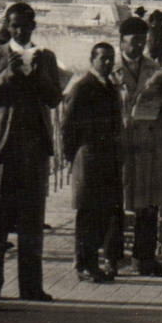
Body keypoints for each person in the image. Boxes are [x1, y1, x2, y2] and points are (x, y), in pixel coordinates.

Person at [0, 2, 63, 304]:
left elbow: (54, 99)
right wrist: (6, 77)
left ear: (33, 27)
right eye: (14, 25)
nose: (20, 31)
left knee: (31, 220)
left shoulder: (46, 58)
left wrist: (38, 75)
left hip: (34, 150)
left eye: (25, 25)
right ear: (7, 26)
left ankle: (31, 286)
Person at [117, 18, 162, 277]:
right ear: (122, 41)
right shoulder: (112, 68)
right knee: (119, 201)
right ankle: (115, 255)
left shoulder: (153, 68)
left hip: (150, 142)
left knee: (150, 202)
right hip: (124, 142)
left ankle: (145, 258)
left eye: (143, 42)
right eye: (134, 42)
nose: (138, 47)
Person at [62, 42, 124, 284]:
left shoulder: (109, 86)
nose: (107, 63)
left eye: (111, 59)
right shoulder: (82, 87)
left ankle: (93, 262)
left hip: (107, 156)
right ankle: (84, 264)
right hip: (88, 156)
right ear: (92, 60)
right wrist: (72, 158)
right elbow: (67, 126)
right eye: (103, 59)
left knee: (102, 212)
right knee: (88, 213)